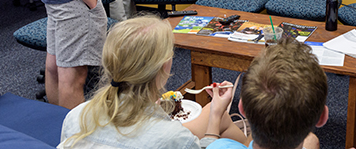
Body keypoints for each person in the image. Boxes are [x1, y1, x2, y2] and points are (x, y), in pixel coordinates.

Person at [58, 15, 248, 148]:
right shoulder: (174, 139)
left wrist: (216, 112)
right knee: (221, 118)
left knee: (220, 116)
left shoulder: (76, 116)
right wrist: (215, 117)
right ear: (165, 65)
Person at [206, 38, 330, 149]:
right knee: (312, 141)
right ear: (322, 117)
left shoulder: (218, 146)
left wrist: (215, 115)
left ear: (242, 108)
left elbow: (210, 144)